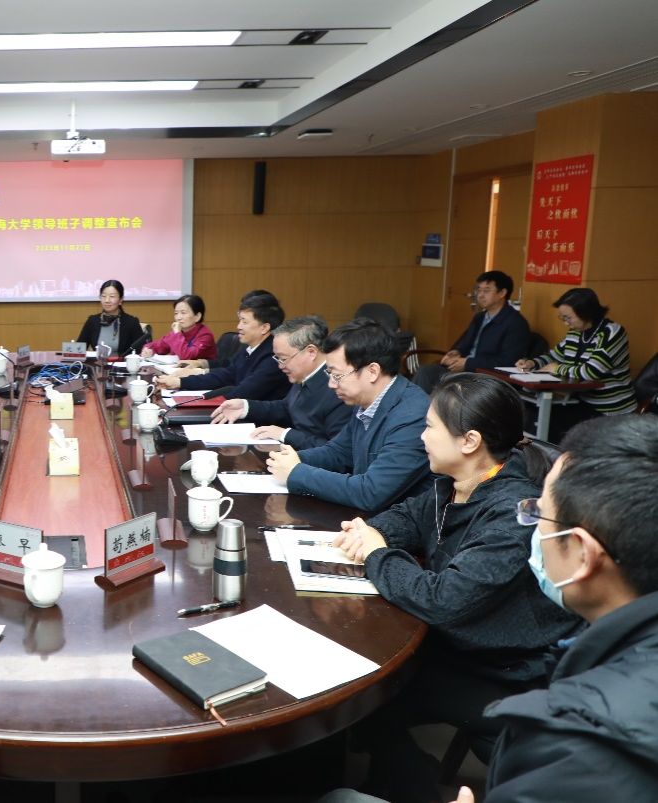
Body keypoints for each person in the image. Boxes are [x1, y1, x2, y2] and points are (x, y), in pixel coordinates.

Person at [321, 415, 658, 803]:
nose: (529, 526)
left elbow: (444, 601)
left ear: (582, 553)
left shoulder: (576, 745)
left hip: (509, 669)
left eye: (538, 514)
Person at [333, 373, 580, 803]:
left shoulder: (512, 514)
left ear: (469, 441)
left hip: (505, 670)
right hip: (454, 644)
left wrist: (376, 553)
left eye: (430, 427)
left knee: (366, 697)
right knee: (359, 677)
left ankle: (414, 785)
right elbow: (407, 519)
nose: (422, 436)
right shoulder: (452, 485)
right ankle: (393, 777)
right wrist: (367, 533)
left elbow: (443, 600)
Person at [268, 318, 431, 513]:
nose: (331, 384)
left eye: (337, 376)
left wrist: (297, 473)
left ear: (372, 372)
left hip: (397, 523)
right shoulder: (367, 399)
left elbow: (371, 492)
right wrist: (291, 458)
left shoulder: (413, 417)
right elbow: (339, 453)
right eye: (330, 375)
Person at [210, 315, 352, 449]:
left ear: (311, 352)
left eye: (283, 358)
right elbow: (287, 408)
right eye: (277, 358)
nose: (280, 366)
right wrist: (246, 407)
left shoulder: (339, 389)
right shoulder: (303, 374)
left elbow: (337, 452)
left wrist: (285, 434)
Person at [517, 286, 636, 421]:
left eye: (568, 318)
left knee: (547, 421)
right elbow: (554, 356)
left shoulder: (612, 332)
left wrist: (557, 368)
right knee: (531, 411)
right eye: (562, 318)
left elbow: (591, 372)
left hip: (610, 408)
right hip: (580, 400)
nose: (565, 323)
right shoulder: (575, 333)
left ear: (586, 313)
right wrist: (532, 363)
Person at [155, 291, 290, 402]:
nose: (238, 327)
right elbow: (226, 375)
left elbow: (243, 392)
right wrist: (179, 382)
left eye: (244, 322)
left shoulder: (273, 356)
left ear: (264, 328)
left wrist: (199, 400)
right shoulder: (249, 349)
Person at [413, 271, 531, 391]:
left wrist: (468, 363)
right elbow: (464, 342)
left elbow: (508, 362)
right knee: (426, 372)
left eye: (486, 291)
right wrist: (456, 352)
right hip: (463, 370)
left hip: (483, 377)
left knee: (428, 375)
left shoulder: (515, 323)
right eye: (479, 290)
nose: (480, 295)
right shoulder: (480, 317)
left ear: (502, 293)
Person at [75, 279, 145, 356]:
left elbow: (141, 351)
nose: (107, 300)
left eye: (112, 296)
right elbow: (79, 349)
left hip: (122, 363)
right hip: (97, 363)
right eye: (103, 296)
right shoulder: (92, 321)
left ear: (121, 300)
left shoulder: (131, 322)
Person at [140, 294, 217, 362]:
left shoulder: (205, 336)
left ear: (197, 316)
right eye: (176, 313)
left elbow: (186, 356)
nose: (178, 317)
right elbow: (159, 346)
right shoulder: (178, 332)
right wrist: (148, 349)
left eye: (183, 313)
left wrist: (177, 334)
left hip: (200, 373)